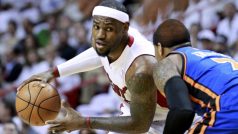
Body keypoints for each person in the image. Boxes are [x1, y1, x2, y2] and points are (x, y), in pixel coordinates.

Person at [18, 0, 168, 133]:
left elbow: (140, 125)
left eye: (108, 29)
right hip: (139, 114)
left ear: (124, 28)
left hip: (168, 121)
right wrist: (53, 72)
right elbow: (97, 54)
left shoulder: (140, 68)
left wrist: (84, 122)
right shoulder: (112, 43)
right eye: (96, 27)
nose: (100, 35)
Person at [152, 19, 238, 134]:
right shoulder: (210, 54)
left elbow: (182, 111)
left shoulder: (167, 63)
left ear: (159, 48)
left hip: (229, 103)